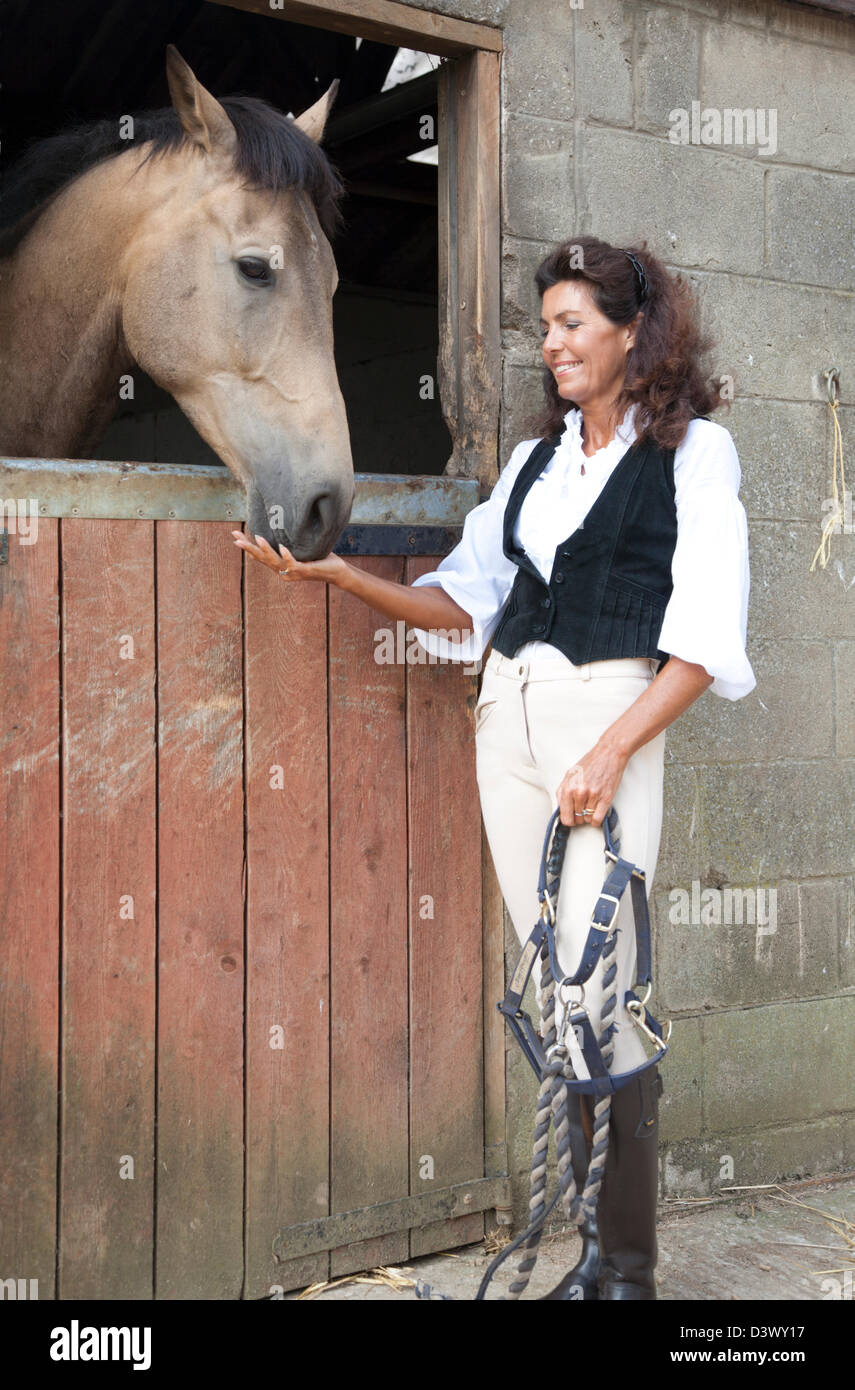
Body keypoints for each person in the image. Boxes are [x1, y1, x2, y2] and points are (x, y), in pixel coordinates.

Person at [232, 235, 755, 1301]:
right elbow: (466, 603)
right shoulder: (534, 464)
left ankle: (630, 1273)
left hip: (607, 725)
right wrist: (339, 575)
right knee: (563, 996)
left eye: (573, 323)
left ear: (632, 332)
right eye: (547, 323)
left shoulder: (695, 454)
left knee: (605, 992)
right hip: (507, 726)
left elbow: (704, 636)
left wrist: (612, 751)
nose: (552, 342)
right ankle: (594, 1257)